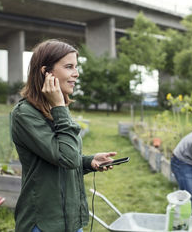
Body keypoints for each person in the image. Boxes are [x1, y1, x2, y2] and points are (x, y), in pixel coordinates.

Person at [11, 39, 116, 232]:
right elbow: (66, 157)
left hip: (70, 221)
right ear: (46, 72)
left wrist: (87, 162)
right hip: (44, 224)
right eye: (69, 67)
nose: (76, 74)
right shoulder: (25, 114)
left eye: (76, 67)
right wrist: (60, 107)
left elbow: (61, 158)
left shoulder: (55, 108)